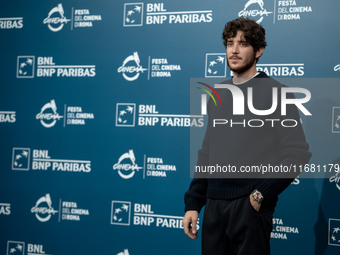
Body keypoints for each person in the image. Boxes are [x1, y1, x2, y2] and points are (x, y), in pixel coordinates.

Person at [183, 17, 311, 255]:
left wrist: (261, 193)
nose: (234, 50)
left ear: (259, 50)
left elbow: (297, 153)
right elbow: (207, 152)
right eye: (230, 43)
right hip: (213, 205)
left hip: (250, 206)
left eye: (243, 44)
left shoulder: (277, 92)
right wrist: (194, 203)